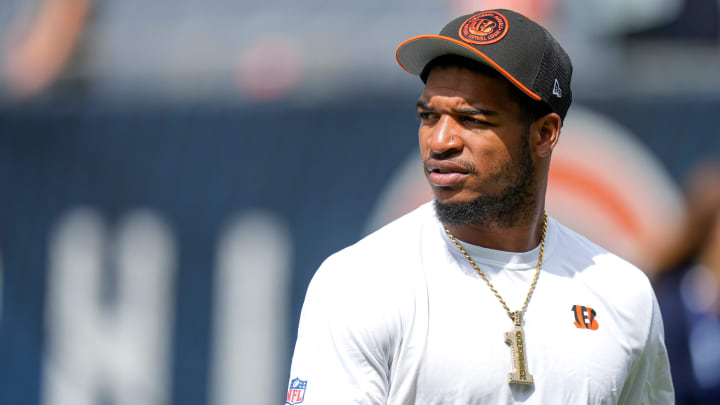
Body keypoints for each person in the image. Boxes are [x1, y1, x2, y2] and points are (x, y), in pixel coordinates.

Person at [287, 9, 674, 404]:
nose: (440, 141)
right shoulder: (359, 283)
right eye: (428, 115)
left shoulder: (624, 296)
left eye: (471, 119)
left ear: (544, 133)